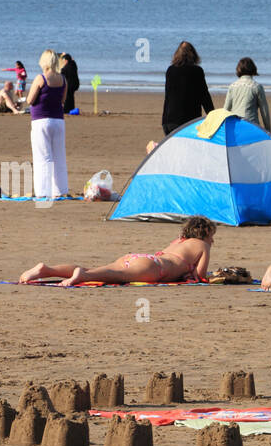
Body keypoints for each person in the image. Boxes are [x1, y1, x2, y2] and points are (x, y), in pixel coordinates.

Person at [20, 216, 217, 286]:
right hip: (155, 268)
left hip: (140, 257)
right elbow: (200, 275)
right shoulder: (203, 246)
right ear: (205, 233)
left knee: (107, 271)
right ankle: (83, 276)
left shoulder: (178, 241)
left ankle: (46, 270)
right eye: (211, 236)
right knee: (118, 276)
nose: (212, 240)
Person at [26, 49, 69, 198]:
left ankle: (43, 191)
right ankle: (61, 190)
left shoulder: (41, 78)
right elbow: (63, 101)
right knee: (59, 156)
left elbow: (30, 100)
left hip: (41, 121)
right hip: (58, 121)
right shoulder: (63, 79)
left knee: (43, 157)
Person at [161, 40, 214, 134]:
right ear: (193, 54)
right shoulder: (197, 71)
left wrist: (164, 121)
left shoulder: (170, 70)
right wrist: (213, 115)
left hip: (170, 120)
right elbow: (204, 96)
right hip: (189, 120)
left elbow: (168, 97)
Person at [222, 57, 271, 132]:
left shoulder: (232, 86)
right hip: (252, 125)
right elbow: (264, 111)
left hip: (235, 125)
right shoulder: (257, 86)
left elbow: (226, 109)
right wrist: (268, 130)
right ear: (253, 69)